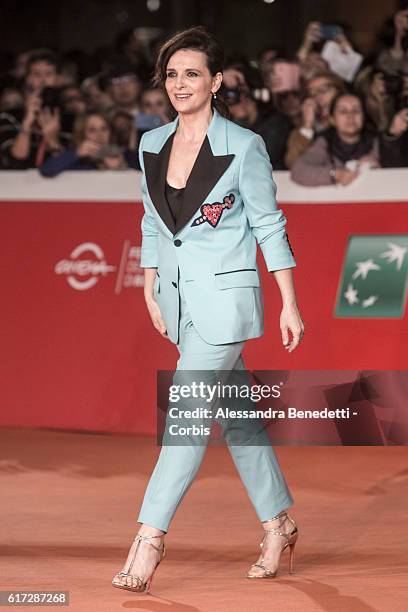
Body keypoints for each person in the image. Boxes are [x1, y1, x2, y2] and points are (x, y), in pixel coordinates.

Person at [111, 25, 304, 594]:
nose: (179, 83)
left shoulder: (244, 146)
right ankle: (280, 523)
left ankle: (148, 540)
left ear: (216, 82)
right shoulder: (150, 144)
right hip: (176, 302)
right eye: (171, 74)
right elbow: (152, 222)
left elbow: (269, 225)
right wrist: (149, 286)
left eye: (192, 73)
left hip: (225, 302)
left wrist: (289, 301)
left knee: (186, 420)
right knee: (238, 417)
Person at [291, 92, 379, 186]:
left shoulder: (377, 142)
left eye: (356, 111)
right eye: (343, 111)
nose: (350, 116)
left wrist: (377, 166)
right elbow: (298, 170)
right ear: (332, 119)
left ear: (364, 117)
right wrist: (335, 175)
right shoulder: (325, 142)